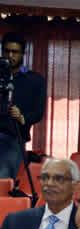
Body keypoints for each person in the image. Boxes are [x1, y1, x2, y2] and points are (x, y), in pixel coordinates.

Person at [0, 32, 45, 181]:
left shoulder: (34, 80)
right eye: (7, 51)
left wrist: (22, 116)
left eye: (15, 52)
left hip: (13, 138)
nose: (10, 55)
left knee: (3, 181)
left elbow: (38, 112)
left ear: (23, 54)